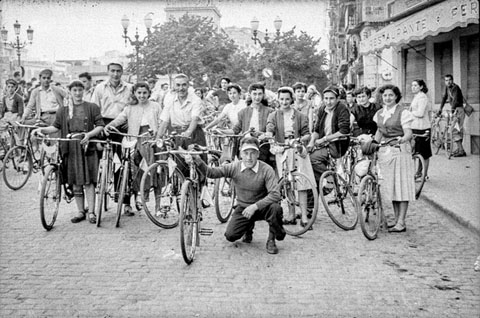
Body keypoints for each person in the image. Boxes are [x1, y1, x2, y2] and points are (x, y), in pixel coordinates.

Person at [193, 136, 286, 254]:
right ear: (241, 154)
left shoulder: (266, 169)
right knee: (230, 236)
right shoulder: (234, 167)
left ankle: (271, 239)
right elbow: (212, 173)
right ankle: (248, 228)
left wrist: (254, 207)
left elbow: (275, 195)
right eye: (246, 153)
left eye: (252, 153)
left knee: (275, 208)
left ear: (258, 154)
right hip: (243, 208)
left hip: (263, 207)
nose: (249, 157)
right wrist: (197, 160)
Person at [31, 80, 104, 224]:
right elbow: (55, 127)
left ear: (84, 91)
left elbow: (100, 126)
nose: (77, 93)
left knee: (88, 180)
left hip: (86, 147)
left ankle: (91, 212)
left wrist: (88, 135)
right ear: (70, 91)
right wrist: (41, 130)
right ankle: (80, 211)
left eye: (80, 90)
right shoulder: (63, 110)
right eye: (74, 90)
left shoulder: (92, 107)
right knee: (75, 180)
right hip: (70, 148)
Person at [104, 82, 162, 210]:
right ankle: (137, 197)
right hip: (135, 139)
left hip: (151, 139)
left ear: (149, 93)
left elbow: (162, 121)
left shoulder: (155, 106)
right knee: (134, 170)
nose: (142, 96)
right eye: (139, 93)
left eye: (144, 93)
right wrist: (110, 125)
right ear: (135, 94)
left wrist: (160, 135)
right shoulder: (130, 107)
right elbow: (120, 118)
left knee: (155, 171)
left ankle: (158, 206)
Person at [266, 87, 315, 227]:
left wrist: (300, 140)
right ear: (278, 100)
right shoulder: (273, 115)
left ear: (291, 99)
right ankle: (291, 214)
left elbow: (307, 133)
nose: (284, 101)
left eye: (287, 99)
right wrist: (269, 135)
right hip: (283, 151)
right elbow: (270, 128)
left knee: (301, 184)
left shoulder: (300, 116)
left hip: (297, 150)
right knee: (287, 183)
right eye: (281, 99)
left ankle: (304, 216)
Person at [92, 62, 135, 216]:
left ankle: (125, 202)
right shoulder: (100, 88)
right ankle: (93, 201)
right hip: (103, 124)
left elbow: (133, 108)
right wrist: (96, 129)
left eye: (118, 71)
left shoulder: (129, 88)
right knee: (96, 159)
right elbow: (94, 109)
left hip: (121, 125)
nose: (115, 74)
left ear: (122, 72)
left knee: (123, 163)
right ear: (108, 72)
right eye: (112, 71)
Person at [373, 84, 415, 233]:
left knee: (401, 187)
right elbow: (379, 132)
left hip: (400, 151)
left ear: (396, 96)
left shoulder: (403, 112)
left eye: (391, 95)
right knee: (392, 187)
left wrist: (402, 139)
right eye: (385, 95)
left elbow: (408, 132)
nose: (388, 98)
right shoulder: (379, 113)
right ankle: (398, 220)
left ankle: (401, 222)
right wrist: (371, 144)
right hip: (386, 152)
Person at [158, 73, 207, 178]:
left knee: (198, 167)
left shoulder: (195, 100)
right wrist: (158, 138)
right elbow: (165, 121)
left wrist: (188, 132)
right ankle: (181, 190)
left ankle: (199, 191)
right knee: (178, 167)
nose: (181, 88)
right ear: (174, 86)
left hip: (194, 134)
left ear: (188, 85)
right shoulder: (169, 99)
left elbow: (194, 119)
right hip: (177, 135)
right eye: (178, 85)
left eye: (184, 85)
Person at [307, 86, 350, 184]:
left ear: (338, 99)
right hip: (324, 144)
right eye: (326, 98)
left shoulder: (341, 108)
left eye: (331, 98)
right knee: (306, 156)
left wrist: (324, 139)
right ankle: (320, 184)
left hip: (337, 144)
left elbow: (343, 131)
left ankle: (330, 179)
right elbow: (316, 130)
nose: (328, 102)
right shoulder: (322, 108)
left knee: (312, 159)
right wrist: (311, 142)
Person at [226, 83, 275, 167]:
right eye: (254, 94)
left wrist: (264, 135)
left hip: (262, 144)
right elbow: (235, 130)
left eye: (260, 94)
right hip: (246, 143)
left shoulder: (270, 111)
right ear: (250, 95)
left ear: (263, 95)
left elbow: (271, 129)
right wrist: (221, 131)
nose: (257, 97)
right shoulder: (243, 112)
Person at [438, 74, 466, 157]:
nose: (448, 82)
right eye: (446, 80)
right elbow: (444, 98)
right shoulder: (447, 88)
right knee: (456, 130)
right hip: (454, 110)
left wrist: (452, 110)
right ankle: (460, 149)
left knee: (454, 130)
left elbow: (456, 100)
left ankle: (461, 151)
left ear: (452, 80)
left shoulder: (455, 88)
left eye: (449, 80)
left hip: (458, 110)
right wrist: (440, 109)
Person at [410, 79, 432, 178]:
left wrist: (409, 113)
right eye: (412, 85)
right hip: (415, 127)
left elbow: (420, 113)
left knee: (425, 153)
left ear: (421, 87)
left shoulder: (422, 97)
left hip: (423, 128)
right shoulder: (416, 97)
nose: (413, 87)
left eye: (415, 85)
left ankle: (424, 174)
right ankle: (418, 172)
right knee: (416, 152)